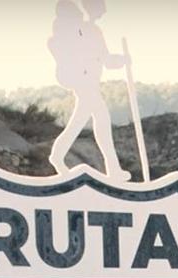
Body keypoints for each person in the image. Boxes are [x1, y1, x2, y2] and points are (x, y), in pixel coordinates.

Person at [47, 0, 131, 180]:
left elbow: (107, 60)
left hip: (91, 82)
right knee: (101, 122)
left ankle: (58, 155)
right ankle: (113, 169)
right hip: (83, 82)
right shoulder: (67, 35)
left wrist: (122, 60)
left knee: (81, 123)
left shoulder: (93, 32)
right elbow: (71, 59)